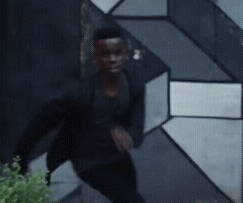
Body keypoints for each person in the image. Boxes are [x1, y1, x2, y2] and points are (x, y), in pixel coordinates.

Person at [14, 27, 146, 203]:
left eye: (117, 54)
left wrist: (130, 136)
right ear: (96, 58)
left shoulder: (133, 86)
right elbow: (43, 121)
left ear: (125, 55)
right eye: (106, 55)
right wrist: (20, 157)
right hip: (89, 160)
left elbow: (137, 125)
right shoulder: (80, 94)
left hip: (118, 158)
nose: (113, 59)